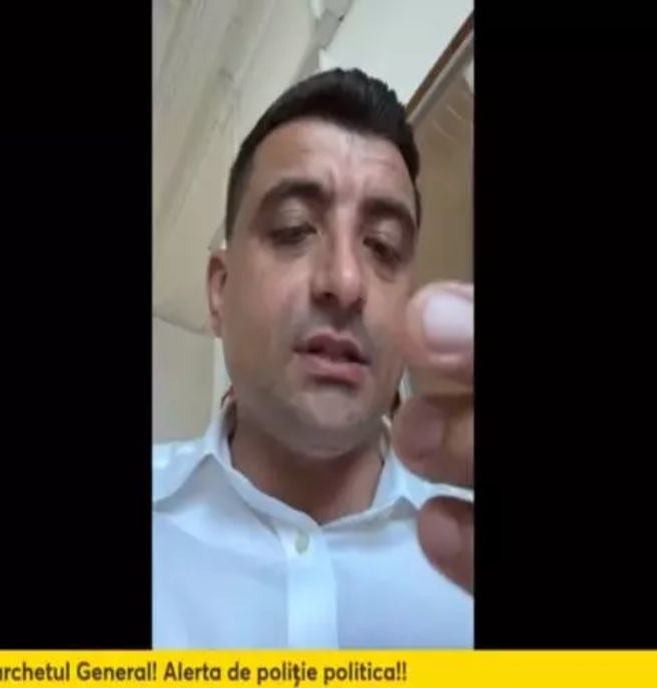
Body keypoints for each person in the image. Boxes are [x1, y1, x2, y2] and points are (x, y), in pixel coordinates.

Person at [152, 68, 474, 648]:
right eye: (294, 229)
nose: (346, 282)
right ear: (220, 290)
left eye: (383, 246)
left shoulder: (462, 546)